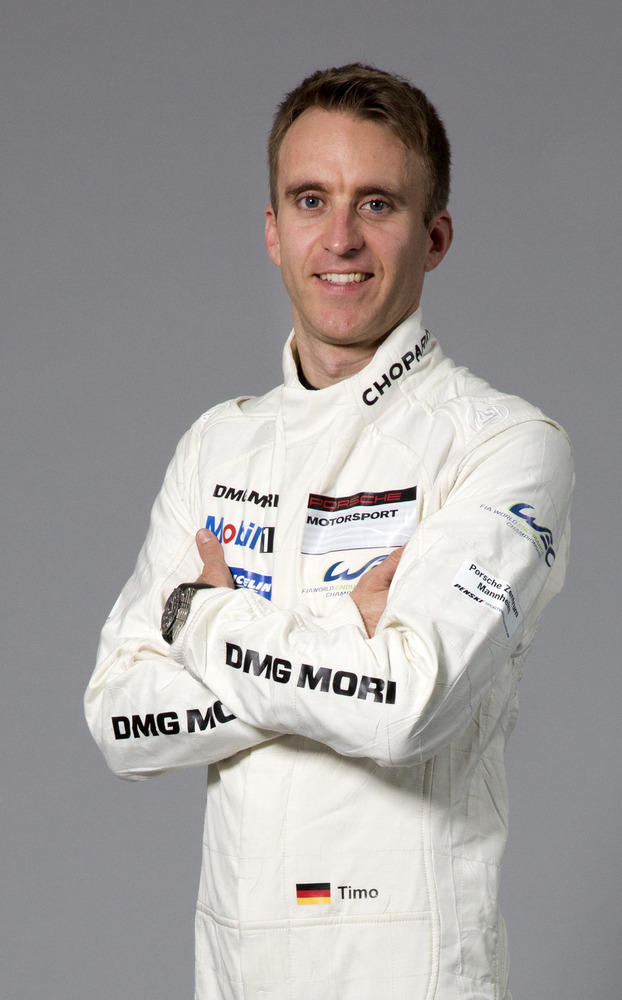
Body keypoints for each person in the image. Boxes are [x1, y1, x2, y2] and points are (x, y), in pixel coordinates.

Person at [85, 63, 574, 1000]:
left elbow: (404, 706)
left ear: (433, 238)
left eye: (376, 204)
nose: (339, 238)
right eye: (311, 200)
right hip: (237, 967)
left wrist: (204, 619)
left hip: (411, 971)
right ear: (273, 229)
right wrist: (343, 643)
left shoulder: (505, 444)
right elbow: (118, 720)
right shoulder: (217, 445)